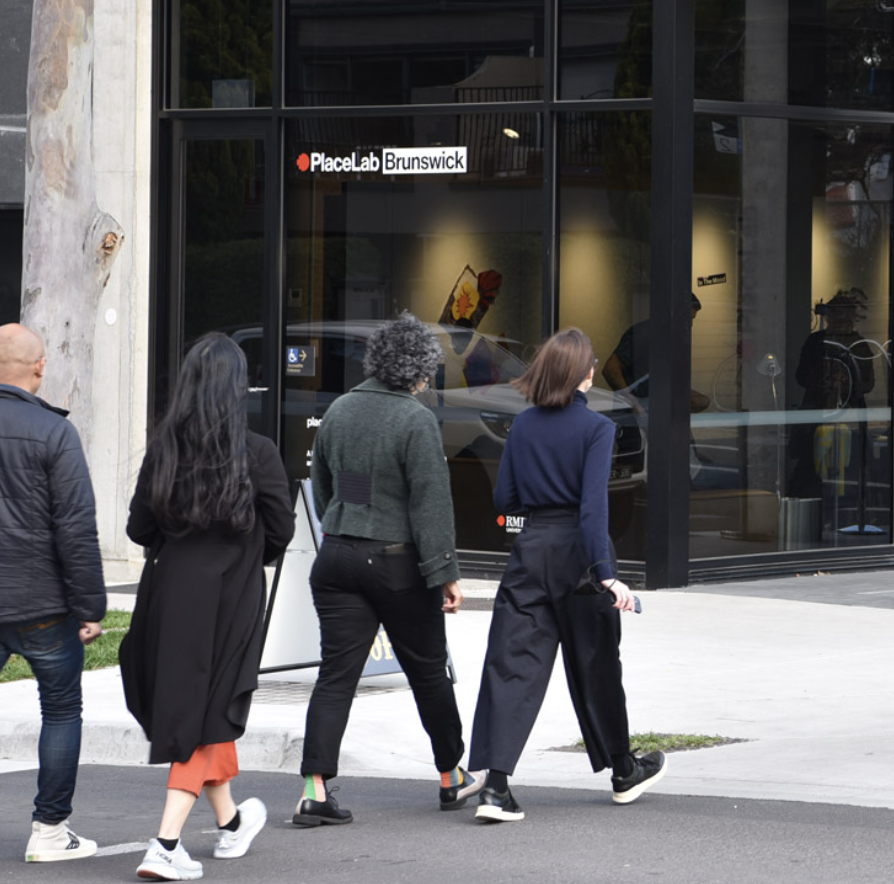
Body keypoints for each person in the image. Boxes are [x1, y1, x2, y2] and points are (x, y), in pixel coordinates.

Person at [293, 311, 484, 828]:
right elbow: (430, 503)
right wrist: (445, 571)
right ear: (418, 369)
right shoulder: (415, 419)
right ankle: (451, 777)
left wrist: (349, 523)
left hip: (337, 558)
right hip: (397, 564)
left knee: (335, 677)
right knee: (428, 672)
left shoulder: (339, 410)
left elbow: (328, 487)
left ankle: (314, 790)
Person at [467, 327, 666, 822]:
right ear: (583, 376)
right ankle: (623, 772)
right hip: (578, 557)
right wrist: (607, 575)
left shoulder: (523, 427)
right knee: (597, 665)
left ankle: (495, 788)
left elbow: (504, 501)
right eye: (593, 364)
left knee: (511, 667)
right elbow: (593, 510)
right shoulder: (598, 430)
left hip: (530, 551)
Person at [119, 332, 295, 881]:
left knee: (203, 709)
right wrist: (245, 549)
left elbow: (138, 528)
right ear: (238, 388)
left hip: (170, 595)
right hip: (231, 596)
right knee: (204, 713)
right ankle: (165, 843)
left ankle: (233, 824)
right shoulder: (258, 451)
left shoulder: (165, 448)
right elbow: (282, 530)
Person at [0, 323, 106, 862]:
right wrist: (90, 606)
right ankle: (48, 832)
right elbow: (75, 528)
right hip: (42, 602)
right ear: (40, 367)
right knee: (61, 710)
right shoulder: (54, 432)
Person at [788, 288, 876, 500]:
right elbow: (801, 376)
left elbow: (867, 383)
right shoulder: (818, 342)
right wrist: (822, 378)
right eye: (835, 314)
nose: (839, 321)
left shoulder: (859, 345)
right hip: (819, 413)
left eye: (844, 315)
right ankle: (807, 504)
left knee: (851, 463)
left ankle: (847, 504)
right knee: (812, 464)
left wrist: (845, 384)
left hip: (847, 415)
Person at [602, 292, 710, 413]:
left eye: (692, 320)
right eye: (688, 319)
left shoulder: (673, 338)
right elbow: (610, 369)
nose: (690, 325)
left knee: (701, 401)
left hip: (659, 401)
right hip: (639, 404)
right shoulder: (644, 334)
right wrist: (631, 401)